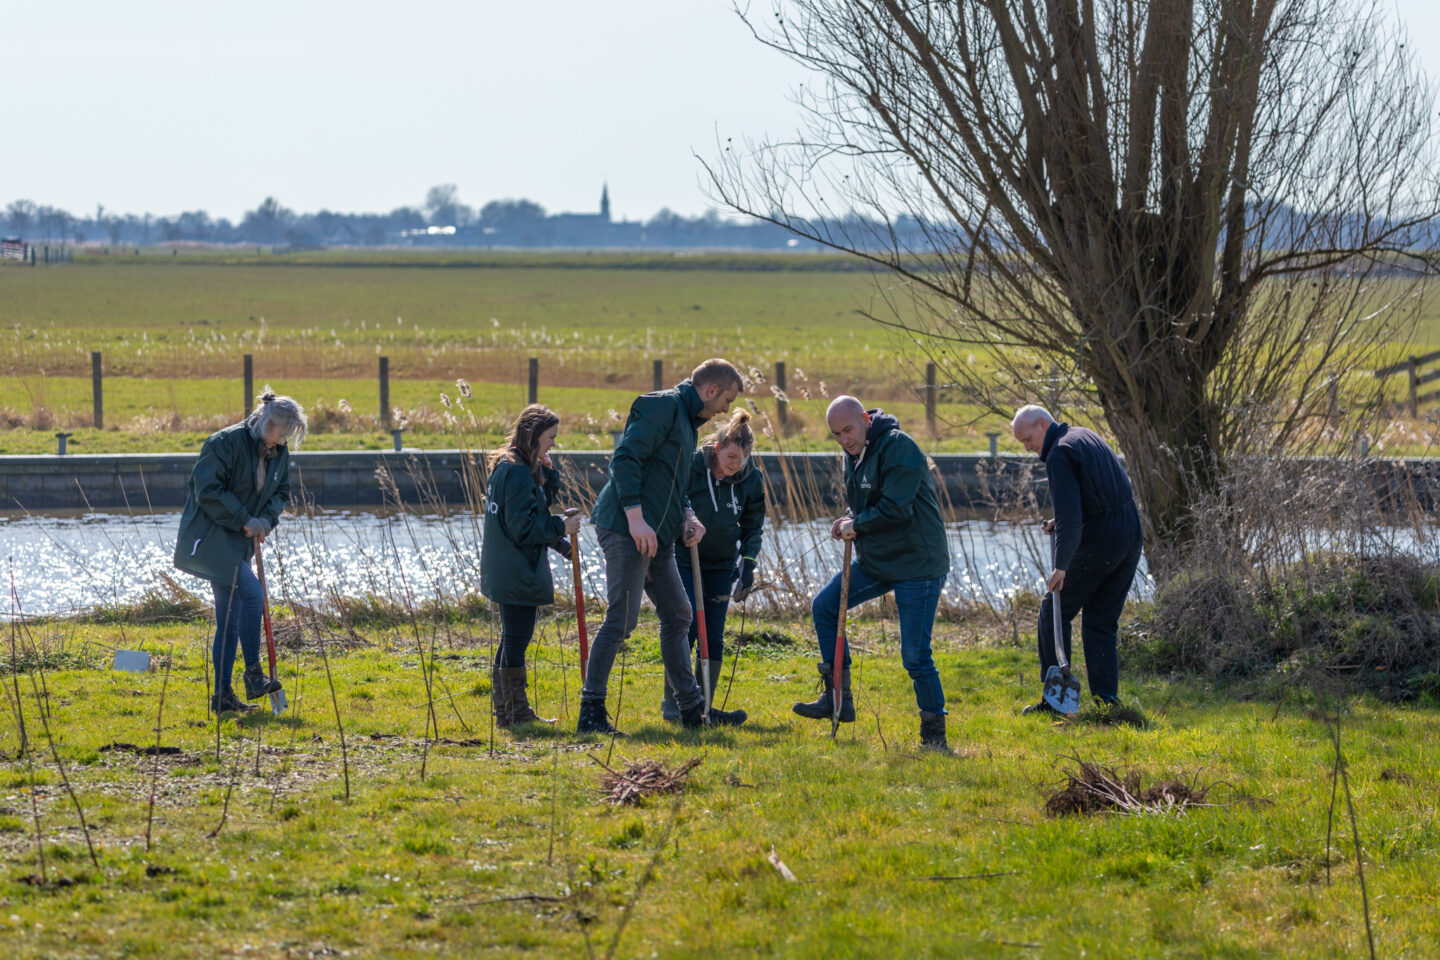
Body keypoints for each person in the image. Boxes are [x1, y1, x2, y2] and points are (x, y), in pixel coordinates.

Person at [580, 359, 748, 734]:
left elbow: (673, 484)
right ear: (709, 391)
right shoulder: (660, 407)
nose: (726, 409)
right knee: (622, 620)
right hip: (626, 528)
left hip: (661, 534)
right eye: (727, 399)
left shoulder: (688, 423)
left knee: (679, 614)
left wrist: (687, 515)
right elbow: (625, 460)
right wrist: (636, 518)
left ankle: (691, 711)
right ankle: (591, 712)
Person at [794, 396, 952, 750]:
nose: (844, 439)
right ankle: (839, 699)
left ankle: (934, 733)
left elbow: (896, 508)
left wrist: (858, 523)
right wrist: (848, 517)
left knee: (914, 655)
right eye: (836, 434)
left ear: (865, 419)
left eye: (848, 430)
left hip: (918, 564)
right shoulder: (854, 454)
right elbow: (866, 502)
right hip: (879, 561)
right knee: (824, 607)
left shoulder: (900, 448)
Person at [173, 389, 304, 713]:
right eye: (279, 433)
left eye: (287, 436)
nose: (281, 441)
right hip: (211, 538)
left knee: (229, 619)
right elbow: (208, 490)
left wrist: (265, 521)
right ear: (266, 422)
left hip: (241, 541)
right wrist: (244, 518)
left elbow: (281, 491)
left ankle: (222, 698)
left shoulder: (279, 450)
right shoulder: (223, 443)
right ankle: (254, 674)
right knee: (252, 595)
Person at [1010, 405, 1142, 714]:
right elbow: (1100, 494)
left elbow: (1070, 518)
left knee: (1052, 612)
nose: (1028, 448)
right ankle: (1106, 701)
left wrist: (1061, 567)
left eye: (1028, 439)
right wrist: (1067, 521)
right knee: (1101, 620)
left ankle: (1055, 701)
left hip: (1102, 540)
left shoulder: (1059, 454)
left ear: (1043, 425)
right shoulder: (1085, 436)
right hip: (1130, 532)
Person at [660, 409, 765, 723]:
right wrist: (685, 522)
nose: (736, 465)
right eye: (731, 457)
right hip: (683, 558)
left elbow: (753, 525)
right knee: (686, 625)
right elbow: (674, 498)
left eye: (743, 459)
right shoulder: (693, 465)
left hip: (721, 565)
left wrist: (748, 563)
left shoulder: (750, 479)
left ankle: (702, 707)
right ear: (718, 449)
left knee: (713, 636)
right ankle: (675, 705)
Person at [480, 404, 582, 728]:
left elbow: (533, 508)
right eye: (550, 438)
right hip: (515, 569)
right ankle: (515, 714)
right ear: (534, 435)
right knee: (516, 639)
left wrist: (548, 471)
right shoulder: (517, 471)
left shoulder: (511, 466)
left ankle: (508, 713)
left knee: (513, 637)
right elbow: (524, 527)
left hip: (508, 567)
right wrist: (560, 529)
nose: (553, 443)